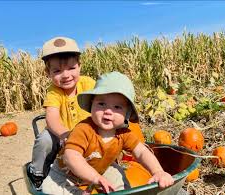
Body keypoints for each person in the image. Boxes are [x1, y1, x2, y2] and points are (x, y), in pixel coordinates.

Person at [41, 71, 174, 195]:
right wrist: (94, 178)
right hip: (66, 173)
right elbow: (71, 157)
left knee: (118, 176)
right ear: (92, 104)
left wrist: (158, 171)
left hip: (101, 170)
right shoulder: (84, 129)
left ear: (127, 113)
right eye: (102, 104)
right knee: (49, 189)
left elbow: (141, 152)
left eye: (117, 107)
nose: (108, 111)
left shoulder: (123, 133)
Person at [27, 36, 96, 190]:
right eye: (57, 71)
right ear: (48, 72)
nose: (65, 75)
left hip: (87, 135)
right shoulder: (54, 91)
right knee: (44, 139)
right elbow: (51, 117)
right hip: (61, 136)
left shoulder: (88, 83)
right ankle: (38, 172)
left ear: (79, 66)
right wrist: (64, 134)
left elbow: (101, 105)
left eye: (71, 68)